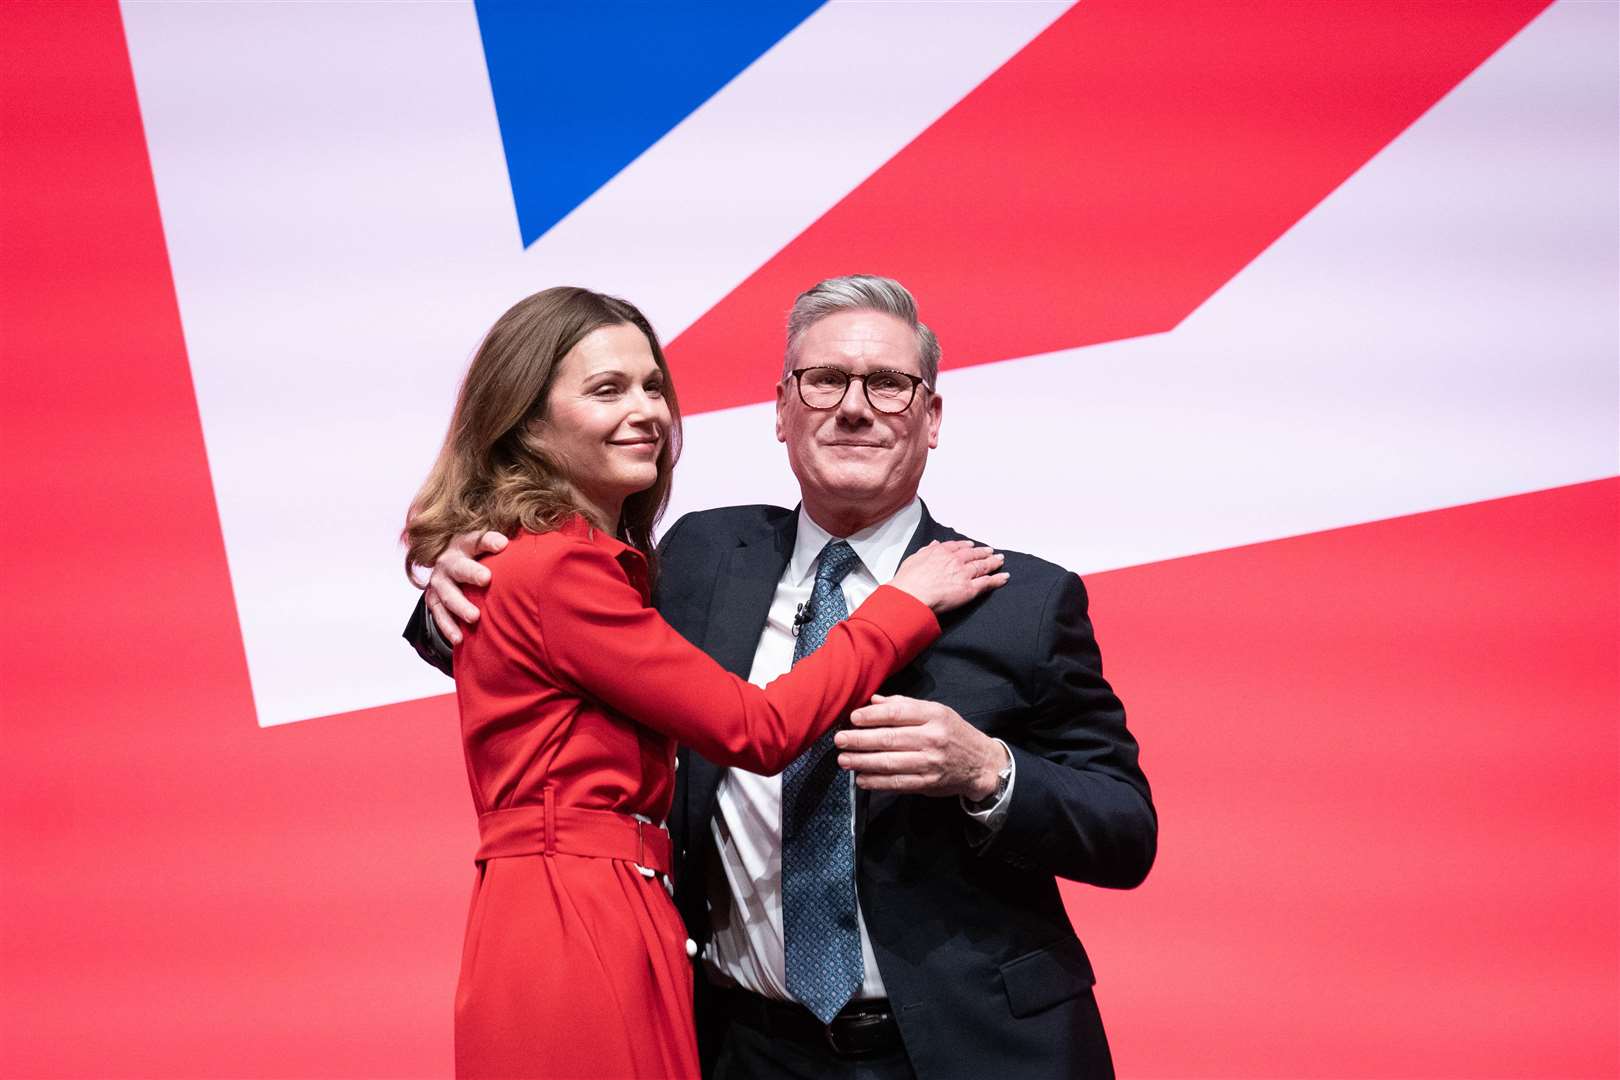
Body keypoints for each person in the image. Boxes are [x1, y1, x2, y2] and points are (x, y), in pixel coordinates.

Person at [408, 275, 1155, 1078]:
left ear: (931, 417)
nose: (855, 407)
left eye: (890, 385)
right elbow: (545, 648)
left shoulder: (1021, 599)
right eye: (825, 380)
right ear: (780, 410)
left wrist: (987, 772)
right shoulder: (695, 561)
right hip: (746, 1048)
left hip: (968, 1051)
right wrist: (461, 571)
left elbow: (1125, 829)